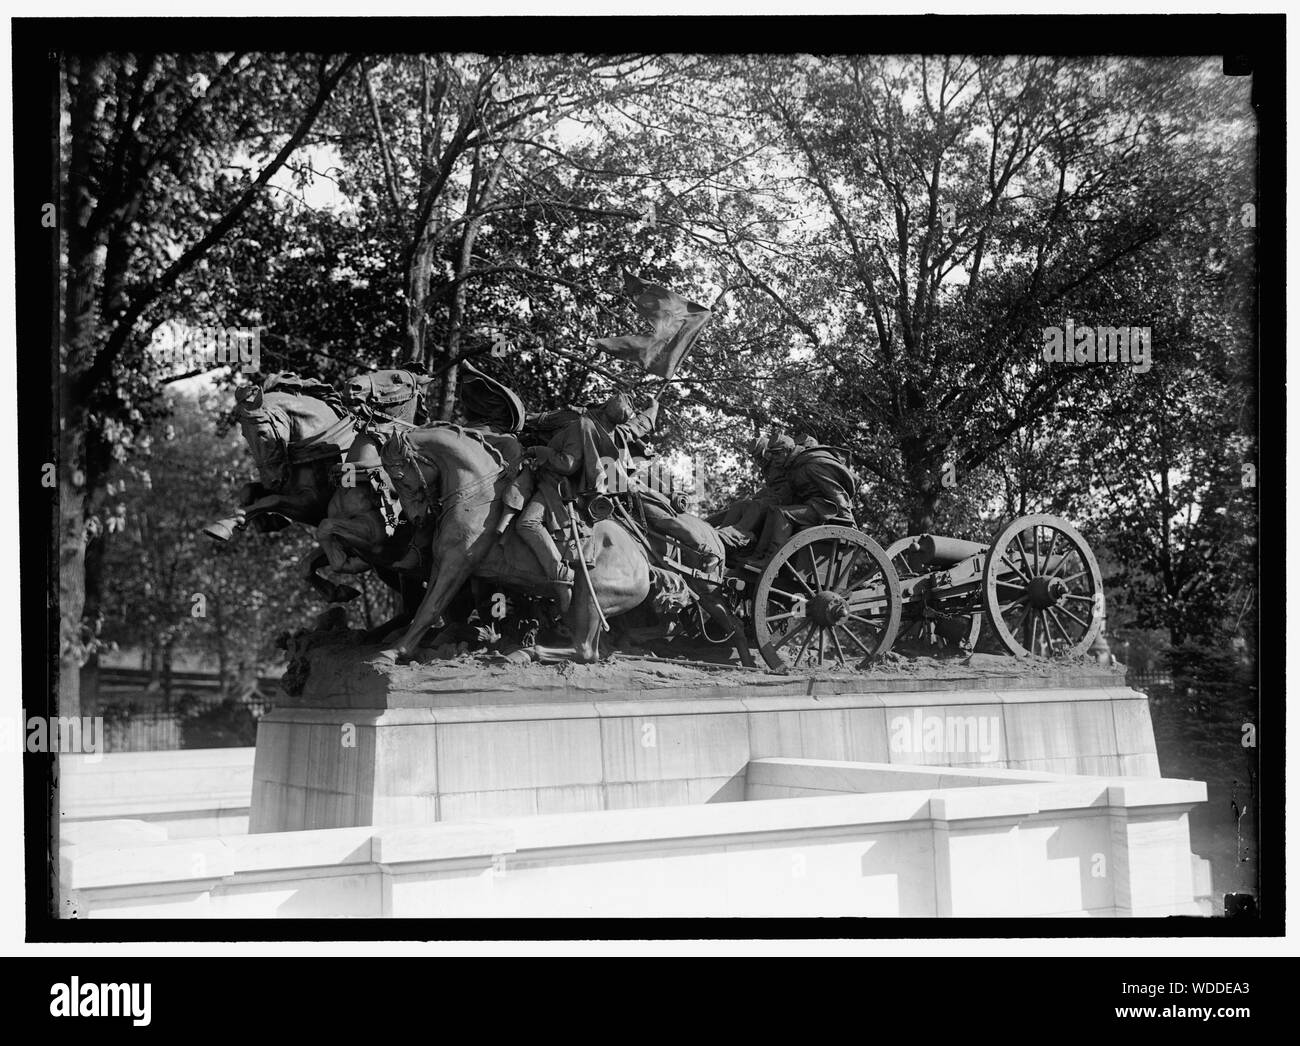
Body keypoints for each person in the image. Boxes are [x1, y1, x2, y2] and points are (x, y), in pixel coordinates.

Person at [517, 390, 659, 603]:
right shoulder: (619, 432)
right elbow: (640, 425)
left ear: (602, 407)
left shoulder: (582, 425)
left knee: (527, 523)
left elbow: (568, 464)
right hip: (599, 491)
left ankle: (560, 574)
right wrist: (653, 407)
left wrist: (539, 451)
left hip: (558, 488)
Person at [744, 435, 858, 567]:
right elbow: (786, 493)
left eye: (776, 455)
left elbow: (836, 492)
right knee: (773, 509)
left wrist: (849, 524)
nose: (773, 460)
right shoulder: (794, 466)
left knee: (782, 514)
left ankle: (772, 562)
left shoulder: (811, 464)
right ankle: (758, 555)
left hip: (826, 509)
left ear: (785, 451)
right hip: (809, 505)